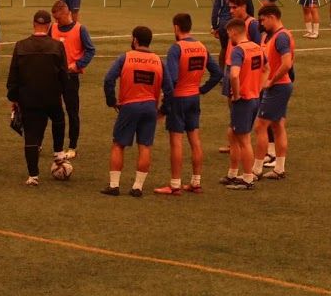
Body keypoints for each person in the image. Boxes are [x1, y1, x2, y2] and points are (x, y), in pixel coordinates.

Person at [153, 13, 223, 196]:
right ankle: (196, 182)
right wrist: (202, 89)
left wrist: (163, 107)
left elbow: (173, 80)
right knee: (195, 140)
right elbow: (217, 74)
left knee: (176, 142)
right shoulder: (201, 47)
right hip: (194, 98)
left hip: (178, 99)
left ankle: (175, 185)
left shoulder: (176, 49)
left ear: (176, 27)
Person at [6, 10, 70, 186]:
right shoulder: (57, 46)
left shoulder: (20, 46)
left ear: (33, 24)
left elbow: (13, 76)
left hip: (29, 98)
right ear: (49, 25)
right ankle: (58, 152)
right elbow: (64, 74)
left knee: (32, 136)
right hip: (51, 96)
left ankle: (33, 176)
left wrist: (14, 97)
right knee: (58, 120)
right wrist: (63, 93)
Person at [101, 26, 165, 198]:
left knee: (119, 145)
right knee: (145, 146)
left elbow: (108, 79)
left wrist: (111, 101)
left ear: (135, 40)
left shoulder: (126, 57)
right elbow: (170, 89)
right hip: (150, 107)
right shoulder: (159, 61)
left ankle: (114, 185)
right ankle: (137, 187)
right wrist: (163, 110)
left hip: (129, 106)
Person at [220, 18, 265, 190]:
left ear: (233, 32)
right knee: (232, 134)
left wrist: (236, 94)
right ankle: (232, 173)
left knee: (244, 139)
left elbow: (233, 75)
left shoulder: (238, 51)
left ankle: (247, 179)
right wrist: (260, 86)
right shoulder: (256, 47)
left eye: (228, 33)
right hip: (254, 98)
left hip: (244, 100)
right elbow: (266, 68)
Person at [49, 0, 96, 160]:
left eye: (59, 18)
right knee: (50, 110)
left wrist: (77, 65)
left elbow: (90, 50)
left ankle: (72, 146)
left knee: (72, 111)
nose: (57, 22)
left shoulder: (80, 29)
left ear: (67, 13)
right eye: (55, 19)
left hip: (70, 77)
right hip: (53, 77)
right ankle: (53, 144)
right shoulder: (53, 28)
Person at [253, 5, 295, 180]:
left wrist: (271, 80)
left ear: (272, 17)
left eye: (263, 20)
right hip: (280, 86)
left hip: (277, 87)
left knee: (260, 126)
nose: (261, 24)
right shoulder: (272, 36)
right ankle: (279, 168)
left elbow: (287, 64)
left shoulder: (281, 37)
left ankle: (255, 169)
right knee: (277, 126)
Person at [210, 0, 255, 67]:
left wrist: (215, 26)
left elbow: (215, 10)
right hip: (240, 25)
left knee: (224, 48)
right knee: (242, 48)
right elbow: (251, 11)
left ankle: (222, 73)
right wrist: (250, 24)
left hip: (224, 25)